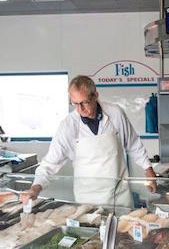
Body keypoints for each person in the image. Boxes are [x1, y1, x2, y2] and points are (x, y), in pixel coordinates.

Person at [21, 75, 157, 207]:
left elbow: (133, 144)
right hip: (87, 199)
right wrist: (35, 188)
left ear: (95, 96)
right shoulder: (68, 126)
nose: (80, 109)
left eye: (85, 102)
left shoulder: (115, 114)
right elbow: (50, 163)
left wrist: (148, 170)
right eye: (75, 104)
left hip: (118, 196)